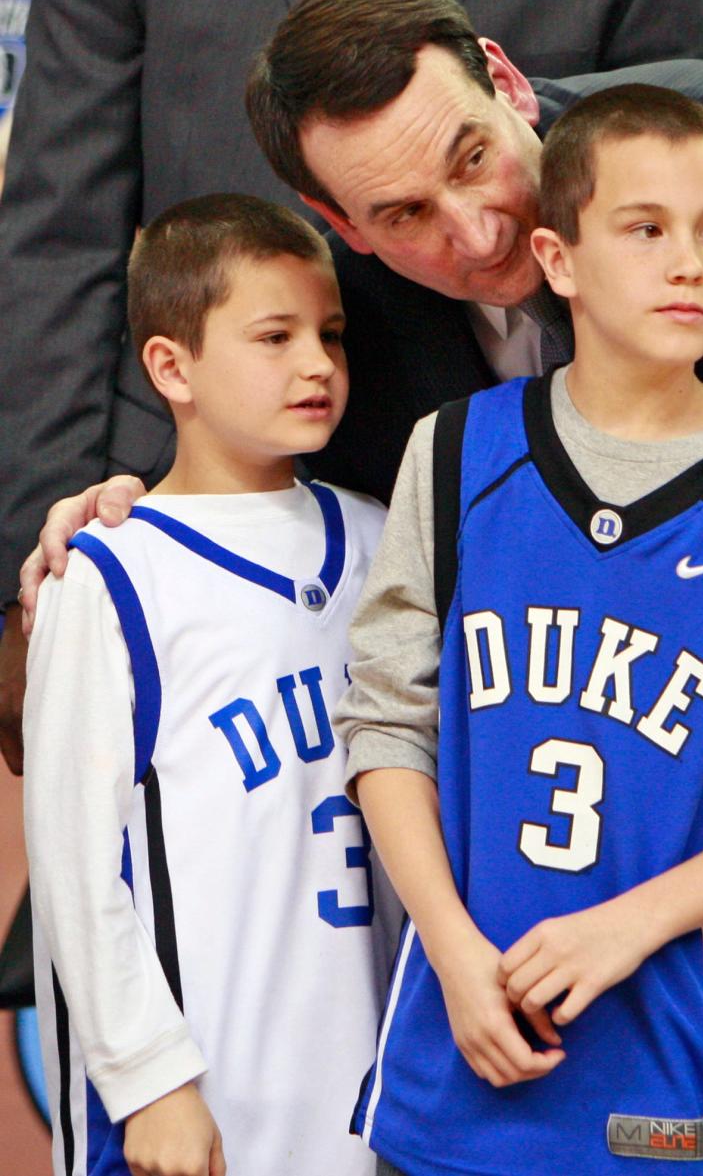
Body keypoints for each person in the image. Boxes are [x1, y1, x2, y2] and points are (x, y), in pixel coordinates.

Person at [24, 0, 703, 1175]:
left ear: (507, 79)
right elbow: (268, 462)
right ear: (344, 224)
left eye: (473, 157)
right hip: (568, 889)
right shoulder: (353, 320)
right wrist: (132, 508)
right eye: (403, 214)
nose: (472, 232)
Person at [337, 84, 703, 1176]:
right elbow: (388, 725)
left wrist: (630, 924)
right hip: (454, 1052)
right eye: (645, 228)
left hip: (665, 1081)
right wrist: (448, 946)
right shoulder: (451, 453)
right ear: (561, 257)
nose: (689, 262)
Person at [0, 0, 703, 743]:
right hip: (167, 499)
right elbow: (57, 237)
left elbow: (657, 212)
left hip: (528, 553)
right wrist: (33, 580)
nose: (472, 233)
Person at [23, 194, 399, 1176]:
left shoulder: (383, 536)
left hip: (376, 1072)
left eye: (329, 334)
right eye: (274, 336)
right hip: (202, 1093)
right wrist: (149, 1077)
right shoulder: (109, 571)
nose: (316, 362)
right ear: (170, 365)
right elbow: (71, 857)